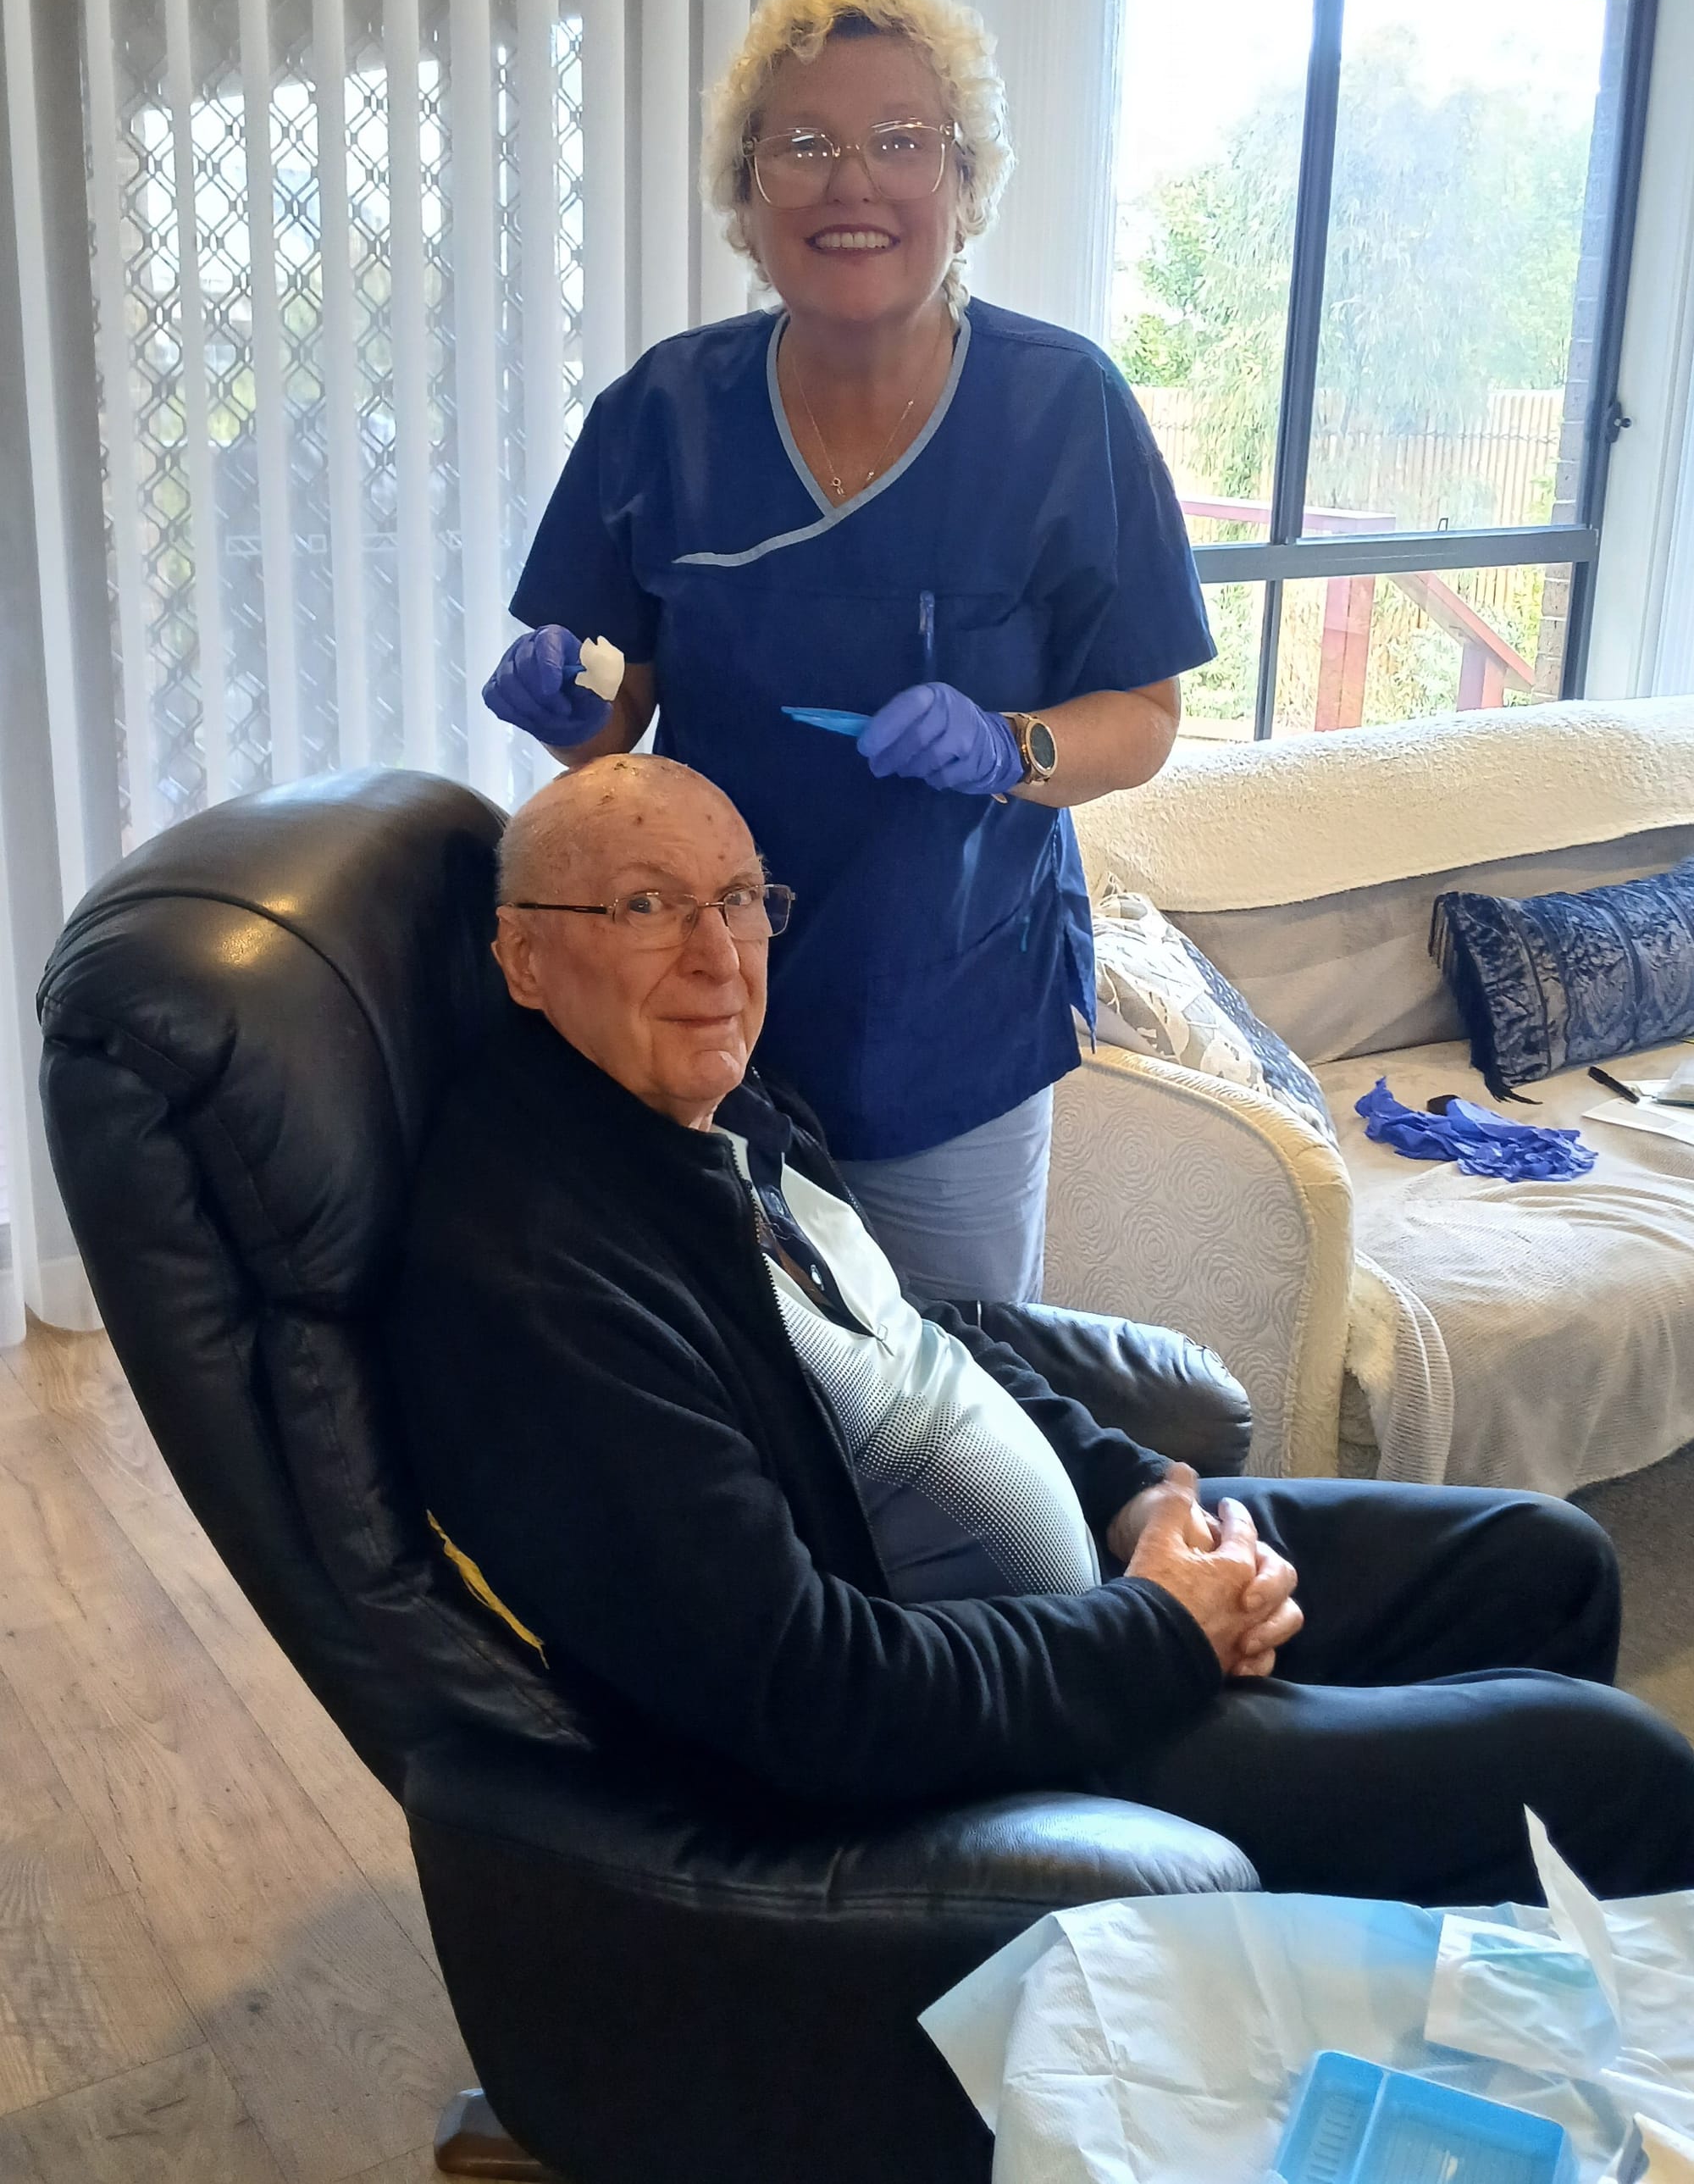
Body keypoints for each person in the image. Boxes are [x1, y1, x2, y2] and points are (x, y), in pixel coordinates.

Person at [387, 756, 1694, 1908]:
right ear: (520, 956)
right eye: (646, 906)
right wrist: (1165, 1634)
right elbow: (807, 1693)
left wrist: (1135, 1499)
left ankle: (1436, 1974)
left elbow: (931, 1336)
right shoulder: (537, 1284)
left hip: (1092, 1614)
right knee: (1613, 1772)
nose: (718, 958)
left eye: (741, 899)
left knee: (1546, 1562)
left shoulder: (714, 1113)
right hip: (982, 1744)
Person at [481, 0, 1215, 1309]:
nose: (852, 184)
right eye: (804, 147)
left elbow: (1147, 717)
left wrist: (1009, 743)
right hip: (703, 1005)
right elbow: (610, 729)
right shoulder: (662, 414)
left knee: (964, 1402)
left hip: (954, 1013)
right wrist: (560, 712)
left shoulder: (1065, 410)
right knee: (760, 1381)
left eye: (901, 142)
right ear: (748, 201)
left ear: (965, 184)